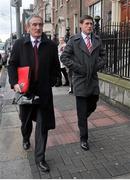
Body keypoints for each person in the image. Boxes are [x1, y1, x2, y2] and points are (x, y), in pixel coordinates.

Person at [8, 14, 61, 172]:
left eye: (40, 25)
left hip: (43, 94)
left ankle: (40, 158)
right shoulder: (19, 44)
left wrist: (50, 82)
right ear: (27, 27)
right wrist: (14, 83)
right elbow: (12, 65)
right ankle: (25, 137)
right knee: (25, 123)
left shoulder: (50, 45)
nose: (38, 28)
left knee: (42, 126)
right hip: (26, 93)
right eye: (34, 25)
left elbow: (56, 69)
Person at [61, 15, 106, 151]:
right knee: (82, 111)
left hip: (92, 79)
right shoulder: (74, 40)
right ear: (81, 25)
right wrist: (78, 68)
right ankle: (84, 138)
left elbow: (103, 56)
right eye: (87, 24)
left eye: (91, 24)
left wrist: (97, 66)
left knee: (93, 102)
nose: (90, 26)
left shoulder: (97, 40)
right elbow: (64, 57)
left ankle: (82, 119)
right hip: (80, 80)